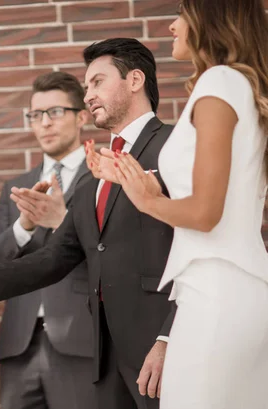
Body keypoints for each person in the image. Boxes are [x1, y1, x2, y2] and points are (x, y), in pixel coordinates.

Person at [0, 38, 177, 409]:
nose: (88, 93)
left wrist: (168, 338)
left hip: (162, 355)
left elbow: (199, 245)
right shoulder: (97, 175)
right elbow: (56, 257)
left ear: (135, 80)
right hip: (106, 360)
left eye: (97, 82)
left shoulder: (174, 145)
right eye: (87, 84)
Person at [98, 1, 268, 408]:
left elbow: (205, 214)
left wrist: (145, 198)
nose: (172, 25)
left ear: (208, 17)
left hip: (217, 293)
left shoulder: (220, 83)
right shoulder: (240, 85)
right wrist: (131, 178)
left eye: (181, 13)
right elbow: (224, 191)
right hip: (225, 288)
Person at [0, 71, 95, 409]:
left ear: (82, 117)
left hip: (81, 341)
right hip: (19, 345)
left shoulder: (102, 178)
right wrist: (23, 227)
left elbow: (114, 257)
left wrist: (63, 221)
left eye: (55, 112)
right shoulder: (15, 187)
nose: (44, 123)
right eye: (36, 115)